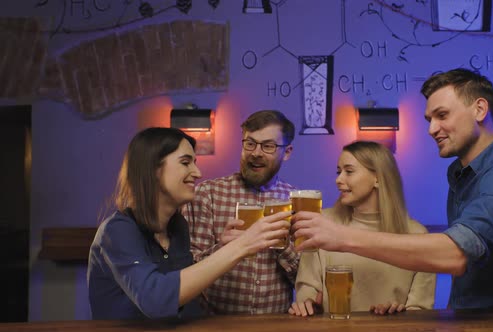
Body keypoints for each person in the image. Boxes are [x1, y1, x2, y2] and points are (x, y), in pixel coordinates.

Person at [292, 68, 493, 309]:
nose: (431, 129)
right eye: (429, 119)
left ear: (479, 109)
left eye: (442, 115)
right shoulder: (461, 175)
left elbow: (456, 255)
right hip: (472, 321)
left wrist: (342, 237)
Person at [87, 127, 290, 320]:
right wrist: (242, 246)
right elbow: (154, 300)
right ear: (153, 170)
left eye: (195, 162)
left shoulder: (177, 226)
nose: (197, 173)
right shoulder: (117, 230)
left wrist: (223, 249)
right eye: (185, 162)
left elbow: (189, 299)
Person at [289, 141, 435, 317]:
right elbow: (307, 288)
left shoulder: (418, 235)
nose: (338, 179)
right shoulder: (322, 224)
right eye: (338, 172)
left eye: (349, 171)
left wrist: (399, 313)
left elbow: (421, 310)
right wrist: (308, 305)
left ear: (378, 178)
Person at [183, 110, 299, 314]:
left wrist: (283, 245)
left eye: (268, 146)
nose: (256, 153)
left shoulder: (295, 201)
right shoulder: (208, 194)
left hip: (276, 324)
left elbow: (306, 278)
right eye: (250, 143)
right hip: (217, 325)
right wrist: (224, 249)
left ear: (287, 152)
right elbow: (186, 272)